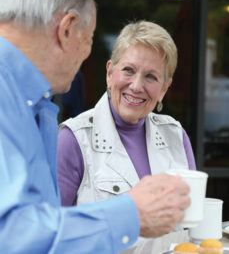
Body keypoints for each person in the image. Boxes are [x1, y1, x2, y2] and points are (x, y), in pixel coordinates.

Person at [0, 0, 190, 254]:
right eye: (89, 40)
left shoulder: (33, 105)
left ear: (165, 86)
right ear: (67, 29)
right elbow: (12, 235)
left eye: (152, 76)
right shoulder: (16, 103)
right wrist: (132, 214)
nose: (85, 55)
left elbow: (41, 224)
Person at [58, 21, 196, 252]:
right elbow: (53, 235)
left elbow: (191, 226)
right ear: (110, 73)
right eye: (128, 70)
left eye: (151, 77)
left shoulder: (176, 137)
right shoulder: (73, 139)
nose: (136, 85)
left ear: (164, 88)